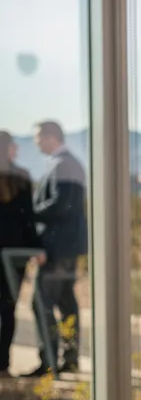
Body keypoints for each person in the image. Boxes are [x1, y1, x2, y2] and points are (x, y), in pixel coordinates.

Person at [28, 121, 86, 377]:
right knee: (65, 303)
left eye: (38, 138)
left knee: (42, 302)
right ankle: (68, 359)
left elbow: (62, 205)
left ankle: (49, 360)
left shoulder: (64, 165)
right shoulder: (64, 163)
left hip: (58, 249)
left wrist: (30, 214)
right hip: (65, 248)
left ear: (50, 137)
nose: (36, 142)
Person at [0, 131, 42, 374]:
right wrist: (36, 247)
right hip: (15, 254)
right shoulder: (22, 177)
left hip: (13, 254)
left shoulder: (21, 177)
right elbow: (29, 219)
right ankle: (3, 362)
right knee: (8, 307)